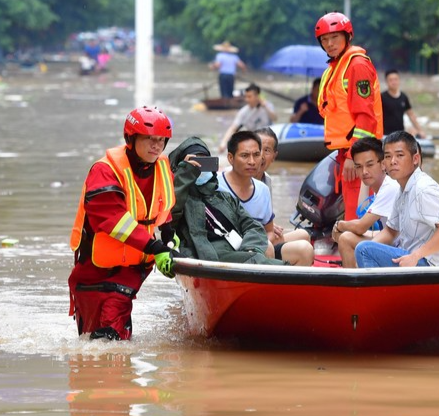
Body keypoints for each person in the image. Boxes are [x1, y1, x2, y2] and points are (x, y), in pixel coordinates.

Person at [68, 107, 180, 341]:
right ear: (131, 138)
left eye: (161, 140)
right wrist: (156, 247)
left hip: (134, 265)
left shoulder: (161, 167)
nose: (156, 146)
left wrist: (169, 234)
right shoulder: (105, 170)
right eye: (149, 139)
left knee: (112, 332)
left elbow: (162, 204)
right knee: (97, 338)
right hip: (97, 267)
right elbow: (112, 219)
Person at [168, 135, 284, 265]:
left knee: (277, 264)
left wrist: (251, 248)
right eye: (195, 163)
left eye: (204, 162)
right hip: (204, 257)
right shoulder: (177, 199)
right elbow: (169, 218)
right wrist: (184, 174)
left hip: (236, 252)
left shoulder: (223, 197)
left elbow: (252, 226)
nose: (199, 167)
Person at [314, 11, 383, 221]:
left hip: (359, 152)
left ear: (347, 36)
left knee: (358, 212)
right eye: (324, 40)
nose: (329, 43)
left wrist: (354, 156)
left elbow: (365, 117)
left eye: (334, 37)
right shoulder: (335, 67)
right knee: (352, 209)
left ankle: (355, 253)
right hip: (347, 151)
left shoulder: (356, 65)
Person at [354, 131, 439, 268]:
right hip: (410, 256)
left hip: (432, 264)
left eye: (400, 155)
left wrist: (415, 256)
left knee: (364, 250)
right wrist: (368, 250)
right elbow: (390, 231)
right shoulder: (402, 189)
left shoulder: (424, 189)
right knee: (363, 248)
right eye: (388, 156)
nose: (393, 161)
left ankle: (374, 289)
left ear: (415, 159)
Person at [217, 131, 313, 266]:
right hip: (227, 249)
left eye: (256, 155)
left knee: (305, 249)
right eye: (245, 156)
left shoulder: (263, 189)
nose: (252, 161)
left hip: (259, 247)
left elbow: (269, 231)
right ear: (231, 158)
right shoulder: (215, 184)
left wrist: (261, 243)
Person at [332, 137, 400, 267]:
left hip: (402, 250)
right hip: (393, 242)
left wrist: (339, 225)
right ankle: (353, 278)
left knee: (346, 238)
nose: (364, 172)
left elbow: (361, 226)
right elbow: (361, 213)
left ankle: (355, 282)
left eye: (369, 165)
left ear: (383, 164)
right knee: (347, 236)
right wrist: (366, 181)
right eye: (359, 167)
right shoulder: (379, 186)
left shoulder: (390, 187)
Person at [253, 127, 312, 246]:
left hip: (262, 235)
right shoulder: (239, 176)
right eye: (258, 149)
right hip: (246, 237)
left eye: (267, 150)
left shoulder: (267, 180)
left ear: (274, 156)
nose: (262, 156)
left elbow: (266, 218)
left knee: (303, 235)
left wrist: (271, 227)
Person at [218, 84, 277, 153]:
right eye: (246, 97)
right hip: (255, 140)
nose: (247, 99)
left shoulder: (267, 106)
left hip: (268, 138)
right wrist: (223, 143)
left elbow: (274, 118)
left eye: (249, 97)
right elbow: (233, 128)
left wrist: (266, 107)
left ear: (257, 96)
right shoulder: (244, 111)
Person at [381, 69, 426, 138]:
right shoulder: (382, 97)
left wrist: (420, 130)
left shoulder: (403, 97)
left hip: (400, 135)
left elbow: (411, 115)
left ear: (399, 80)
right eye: (391, 80)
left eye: (395, 79)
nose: (394, 82)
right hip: (385, 135)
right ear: (386, 82)